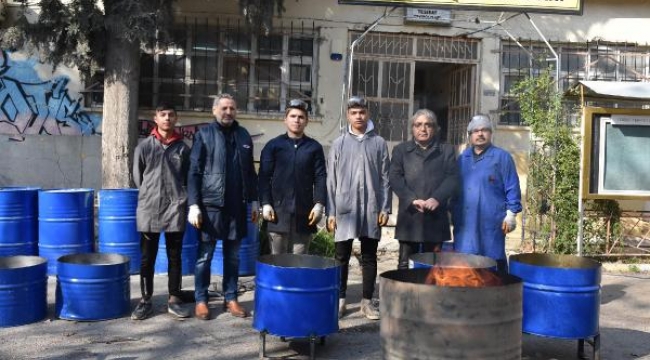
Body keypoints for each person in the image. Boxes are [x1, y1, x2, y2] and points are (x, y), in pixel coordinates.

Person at [187, 93, 258, 320]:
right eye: (224, 108)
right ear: (214, 110)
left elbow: (250, 172)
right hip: (210, 207)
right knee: (204, 256)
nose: (228, 112)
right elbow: (194, 171)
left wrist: (254, 200)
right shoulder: (204, 135)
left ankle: (231, 298)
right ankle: (201, 299)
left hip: (237, 207)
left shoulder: (244, 135)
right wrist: (193, 205)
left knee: (233, 256)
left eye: (232, 108)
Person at [326, 96, 391, 320]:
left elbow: (385, 179)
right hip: (345, 208)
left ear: (368, 114)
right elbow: (331, 180)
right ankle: (340, 300)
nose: (358, 116)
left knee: (369, 256)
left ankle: (367, 302)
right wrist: (331, 212)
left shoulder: (379, 143)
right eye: (354, 113)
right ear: (348, 115)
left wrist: (385, 208)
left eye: (362, 112)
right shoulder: (339, 143)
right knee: (341, 256)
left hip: (371, 208)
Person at [131, 103, 192, 320]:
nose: (167, 118)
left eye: (171, 114)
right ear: (155, 118)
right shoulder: (144, 147)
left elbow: (188, 178)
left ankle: (174, 299)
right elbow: (138, 178)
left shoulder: (183, 149)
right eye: (163, 114)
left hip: (175, 208)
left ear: (176, 119)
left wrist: (180, 198)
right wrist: (151, 195)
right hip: (149, 209)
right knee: (147, 257)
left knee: (175, 256)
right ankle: (145, 300)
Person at [389, 109, 459, 270]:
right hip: (410, 215)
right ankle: (405, 294)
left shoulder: (446, 150)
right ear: (412, 128)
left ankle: (429, 295)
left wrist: (437, 198)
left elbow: (452, 178)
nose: (423, 129)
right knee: (404, 264)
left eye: (428, 125)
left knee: (432, 266)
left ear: (435, 129)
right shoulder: (401, 150)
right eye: (418, 125)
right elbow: (394, 177)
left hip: (435, 215)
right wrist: (411, 199)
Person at [452, 114, 522, 273]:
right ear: (470, 135)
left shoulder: (502, 158)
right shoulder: (463, 159)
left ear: (491, 133)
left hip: (491, 223)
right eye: (475, 131)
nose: (480, 134)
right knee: (466, 263)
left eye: (484, 130)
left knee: (492, 263)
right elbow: (454, 190)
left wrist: (511, 214)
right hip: (466, 223)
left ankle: (497, 294)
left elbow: (512, 187)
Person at [258, 99, 327, 254]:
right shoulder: (273, 146)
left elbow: (320, 176)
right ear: (285, 119)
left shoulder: (314, 148)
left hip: (304, 215)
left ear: (307, 121)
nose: (297, 120)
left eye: (301, 117)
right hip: (277, 213)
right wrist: (266, 203)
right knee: (278, 262)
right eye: (293, 116)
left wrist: (319, 204)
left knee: (299, 261)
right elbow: (264, 177)